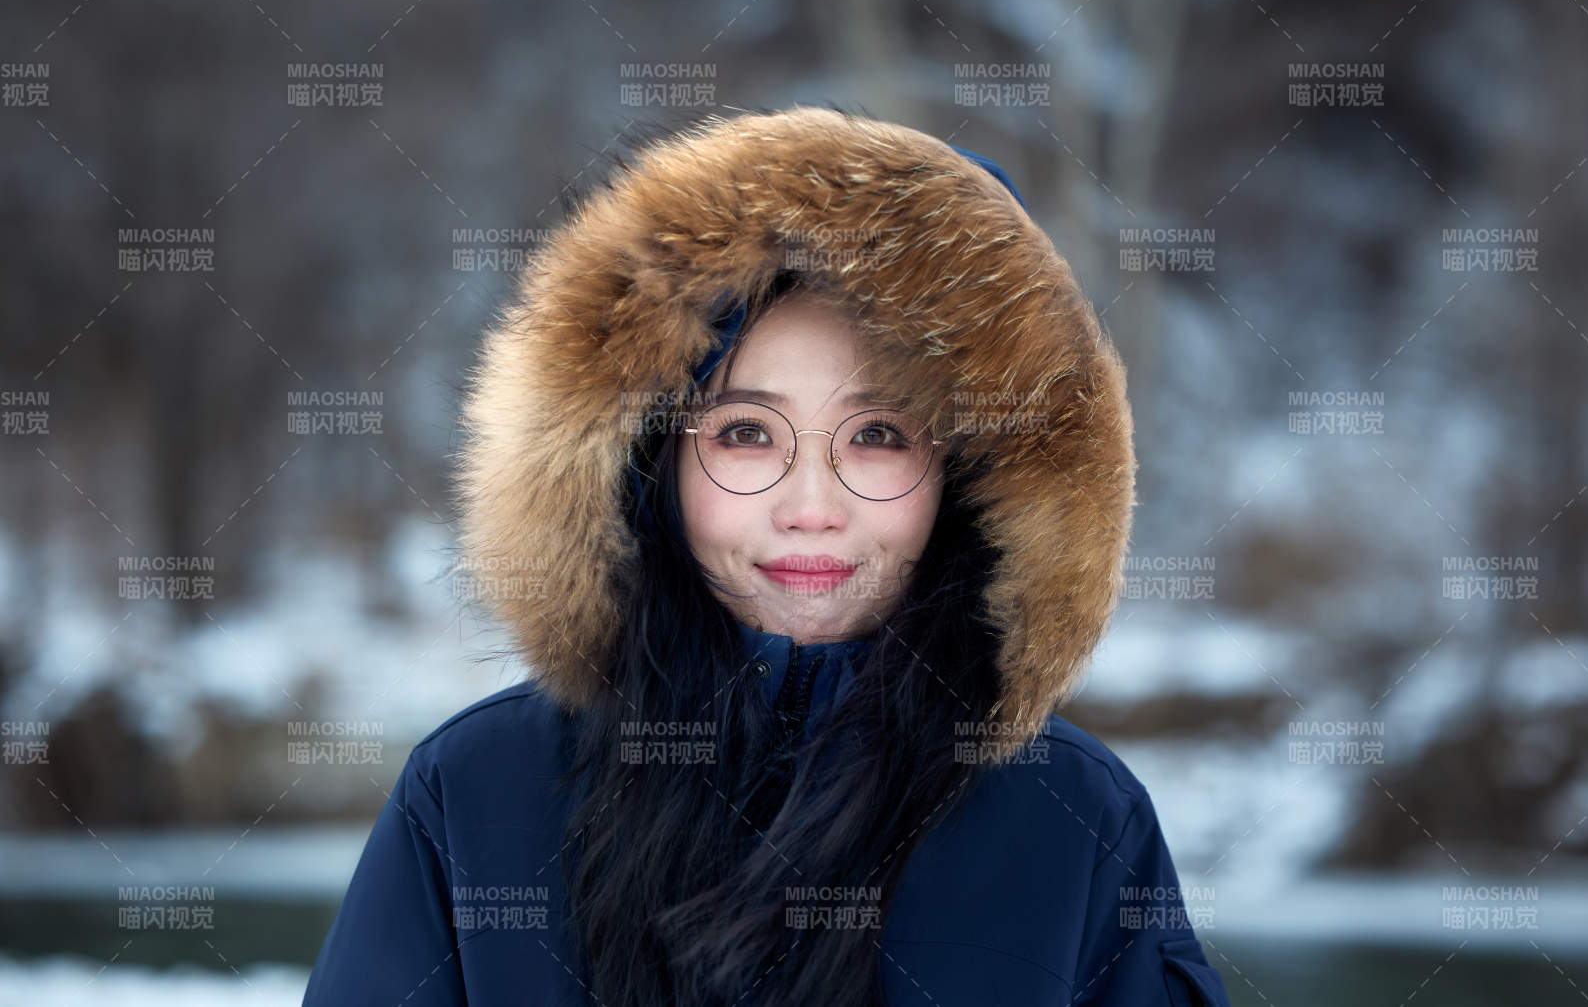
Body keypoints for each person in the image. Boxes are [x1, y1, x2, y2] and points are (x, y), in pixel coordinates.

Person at [303, 105, 1232, 1006]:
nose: (811, 508)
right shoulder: (475, 795)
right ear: (649, 458)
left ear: (973, 477)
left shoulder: (1074, 819)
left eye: (879, 435)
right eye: (747, 432)